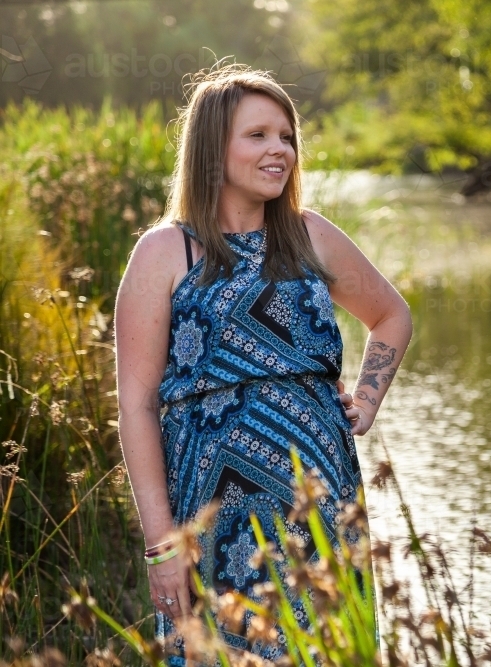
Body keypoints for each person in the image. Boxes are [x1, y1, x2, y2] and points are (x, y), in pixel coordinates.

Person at [114, 63, 412, 662]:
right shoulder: (166, 251)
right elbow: (136, 406)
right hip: (212, 517)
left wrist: (367, 400)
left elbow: (391, 316)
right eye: (258, 136)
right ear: (210, 149)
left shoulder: (310, 236)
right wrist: (162, 545)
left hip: (320, 502)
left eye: (286, 136)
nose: (280, 150)